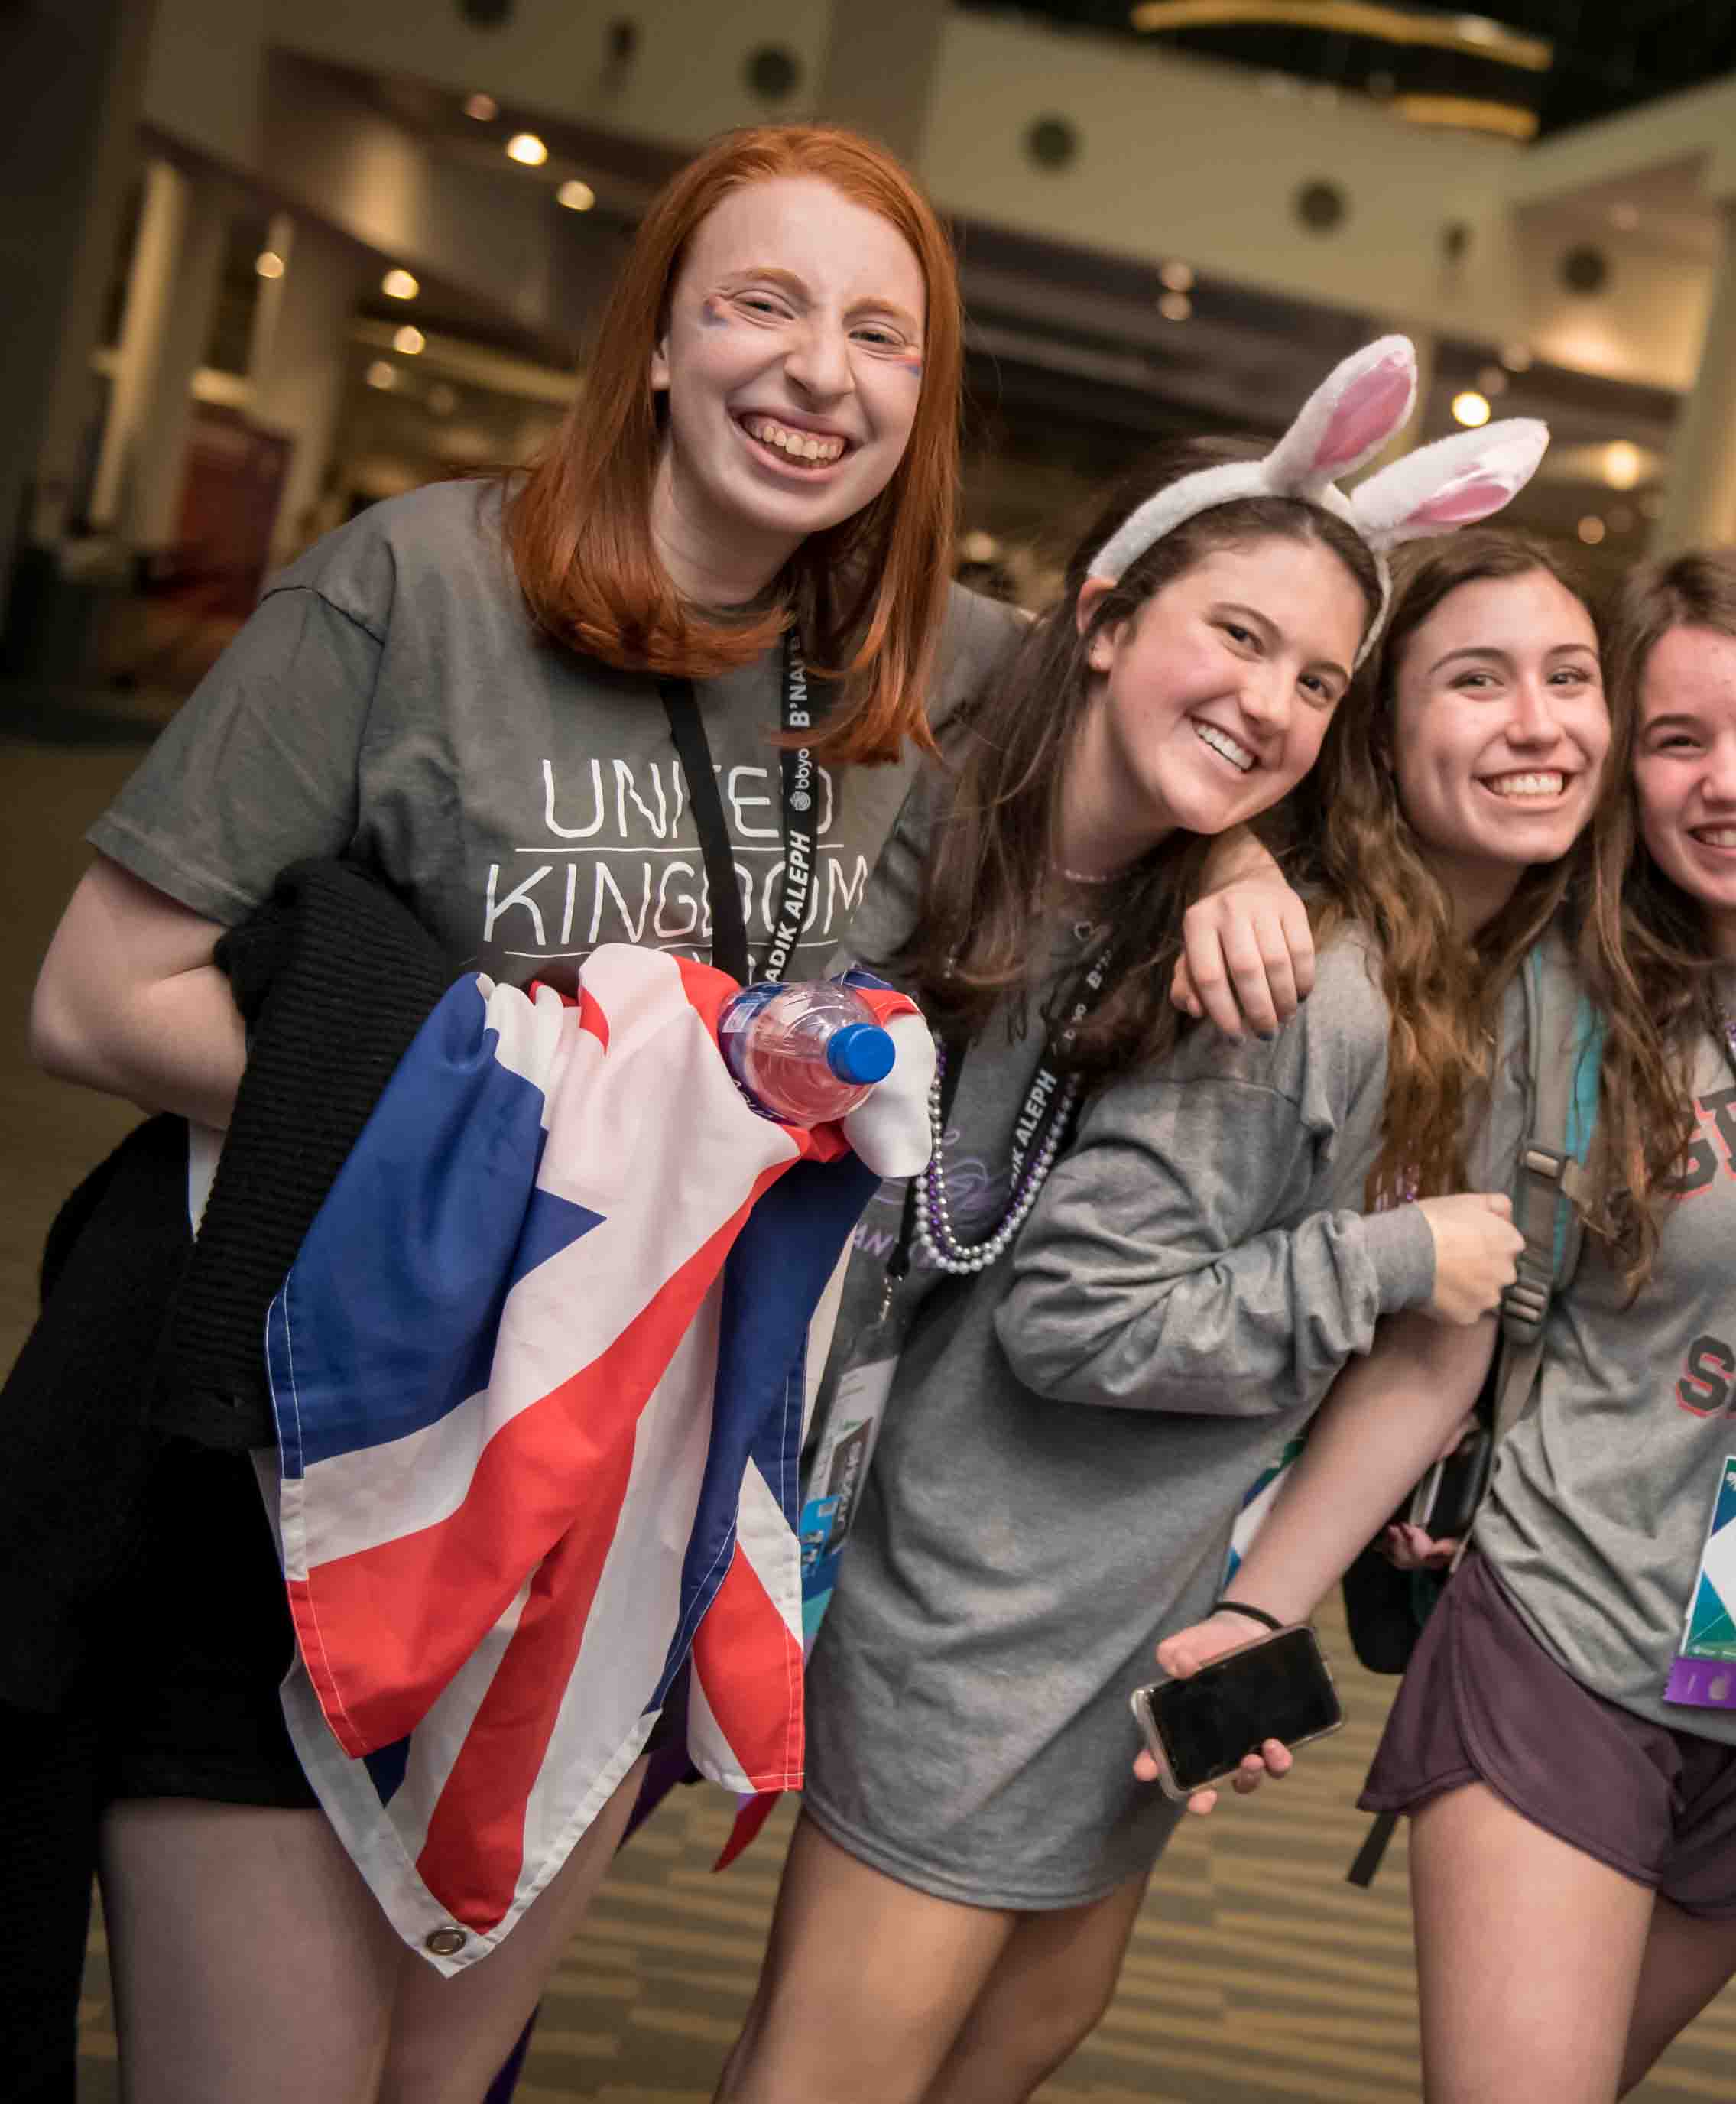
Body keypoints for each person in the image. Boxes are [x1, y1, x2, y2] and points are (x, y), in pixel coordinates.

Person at [18, 124, 1041, 2104]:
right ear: (654, 339)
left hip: (611, 1528)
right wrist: (531, 1114)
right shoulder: (416, 582)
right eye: (761, 302)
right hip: (321, 1478)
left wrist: (1246, 862)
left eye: (879, 333)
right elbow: (93, 994)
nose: (820, 372)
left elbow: (1199, 707)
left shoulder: (925, 674)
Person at [713, 380, 1565, 2104]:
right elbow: (1076, 1312)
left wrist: (1250, 1607)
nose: (1272, 700)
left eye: (1315, 677)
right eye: (1470, 680)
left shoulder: (1250, 911)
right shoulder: (1196, 931)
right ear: (1103, 617)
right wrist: (1390, 1262)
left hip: (1087, 1600)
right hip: (929, 1563)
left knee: (1011, 2039)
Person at [1354, 549, 1736, 2102]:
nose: (1727, 781)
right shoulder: (1549, 999)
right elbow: (1440, 1339)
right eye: (1677, 740)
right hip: (1570, 1627)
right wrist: (1255, 1604)